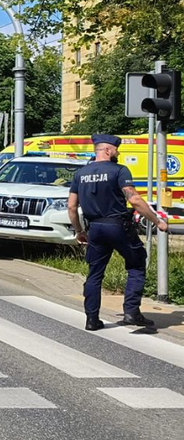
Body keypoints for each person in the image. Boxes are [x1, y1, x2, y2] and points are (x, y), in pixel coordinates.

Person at [68, 134, 166, 330]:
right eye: (116, 149)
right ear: (107, 150)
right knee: (137, 263)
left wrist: (79, 231)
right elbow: (135, 199)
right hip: (118, 226)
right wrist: (157, 221)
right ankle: (131, 312)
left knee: (95, 274)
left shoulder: (80, 174)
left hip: (94, 228)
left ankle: (92, 320)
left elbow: (71, 207)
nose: (118, 153)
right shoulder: (119, 170)